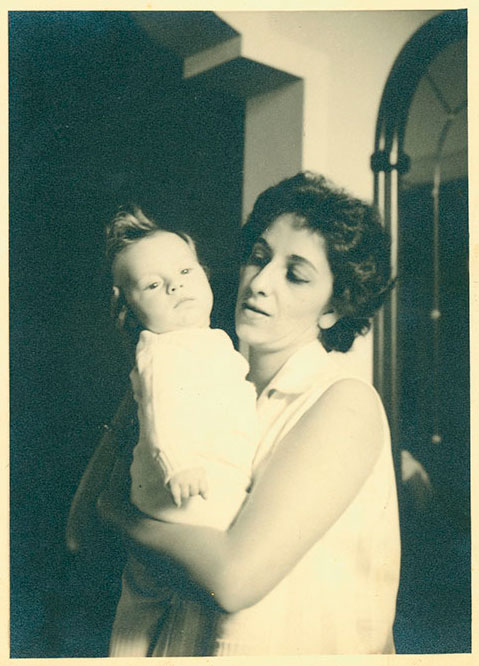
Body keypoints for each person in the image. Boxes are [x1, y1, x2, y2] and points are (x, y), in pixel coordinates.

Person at [79, 172, 401, 655]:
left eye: (295, 274)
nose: (260, 282)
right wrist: (146, 377)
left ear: (334, 307)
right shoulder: (209, 382)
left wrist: (121, 516)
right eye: (259, 257)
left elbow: (233, 580)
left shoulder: (344, 403)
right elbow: (80, 529)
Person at [69, 206, 258, 656]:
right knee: (144, 603)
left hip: (196, 496)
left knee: (150, 599)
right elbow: (162, 416)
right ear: (128, 307)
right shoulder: (161, 351)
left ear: (204, 274)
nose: (175, 286)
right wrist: (178, 465)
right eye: (153, 285)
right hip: (173, 494)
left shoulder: (213, 342)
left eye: (185, 271)